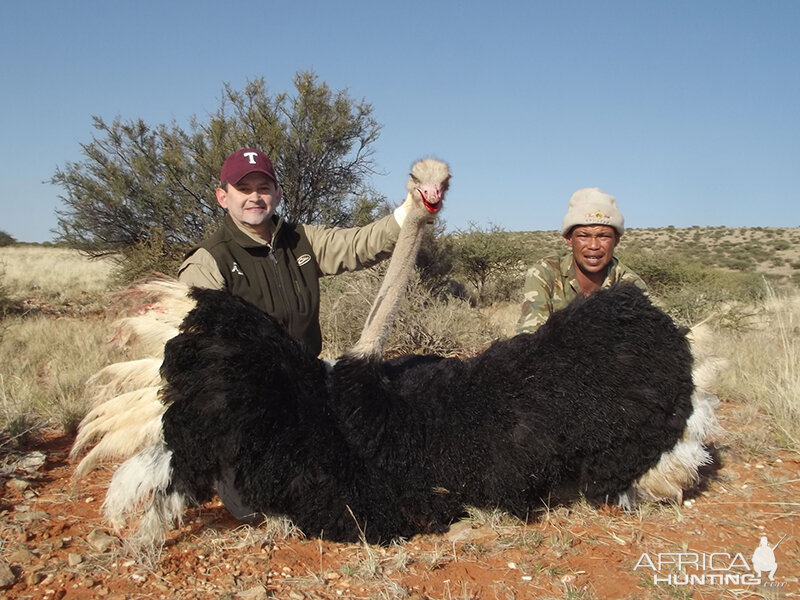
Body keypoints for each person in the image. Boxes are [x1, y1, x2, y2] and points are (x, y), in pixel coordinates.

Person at [179, 147, 412, 356]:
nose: (255, 197)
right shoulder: (207, 260)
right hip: (244, 393)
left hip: (306, 379)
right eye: (243, 189)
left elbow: (357, 244)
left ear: (277, 194)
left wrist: (410, 213)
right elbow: (195, 345)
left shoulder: (302, 240)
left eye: (263, 188)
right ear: (222, 197)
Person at [516, 187, 647, 333]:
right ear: (569, 238)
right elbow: (531, 337)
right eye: (583, 236)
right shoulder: (545, 273)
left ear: (616, 240)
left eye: (603, 236)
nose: (593, 246)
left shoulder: (630, 285)